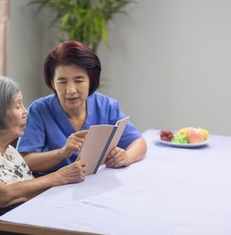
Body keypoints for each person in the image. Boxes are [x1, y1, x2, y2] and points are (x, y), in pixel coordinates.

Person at [17, 41, 147, 175]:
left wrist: (126, 157)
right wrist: (62, 153)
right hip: (54, 188)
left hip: (95, 185)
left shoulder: (106, 106)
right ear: (52, 83)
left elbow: (138, 141)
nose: (71, 90)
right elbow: (24, 161)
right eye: (62, 81)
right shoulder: (40, 110)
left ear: (91, 80)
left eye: (79, 80)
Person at [0, 75, 86, 209]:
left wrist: (67, 180)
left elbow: (30, 187)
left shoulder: (10, 151)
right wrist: (59, 177)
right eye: (18, 106)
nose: (26, 112)